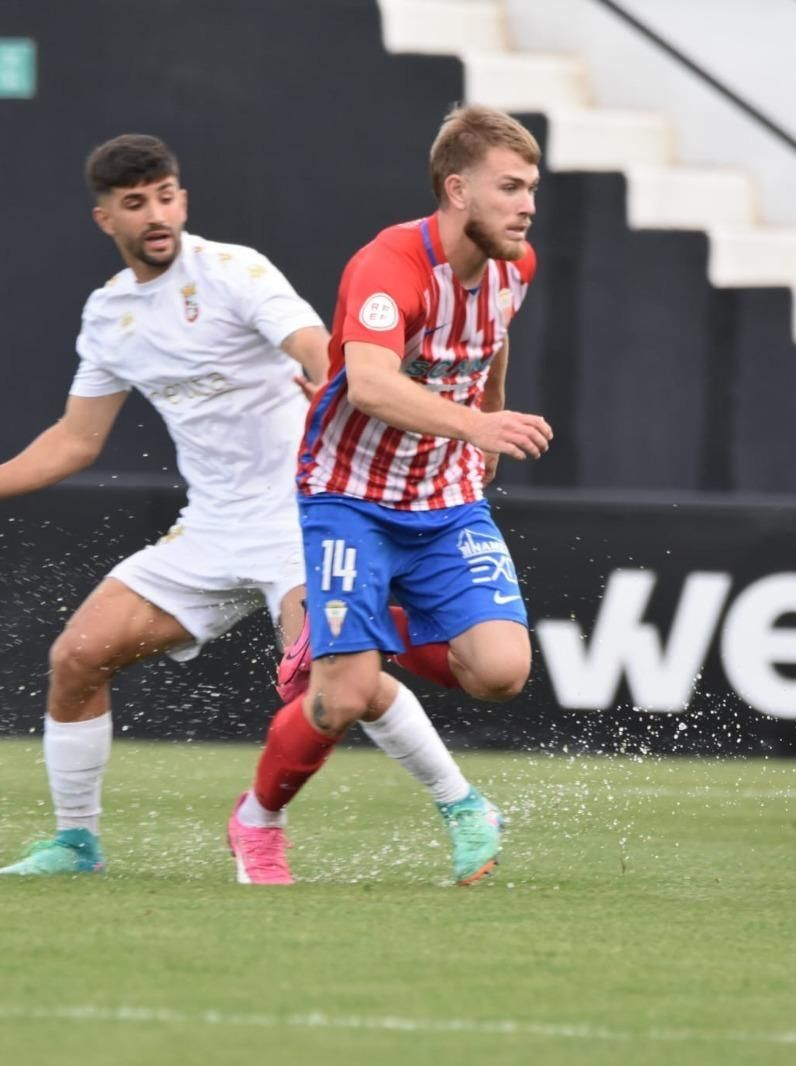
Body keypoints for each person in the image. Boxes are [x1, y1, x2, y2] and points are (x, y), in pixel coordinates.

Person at [0, 134, 470, 876]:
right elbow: (74, 439)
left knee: (343, 682)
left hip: (303, 517)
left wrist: (330, 381)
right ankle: (77, 842)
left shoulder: (234, 271)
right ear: (107, 220)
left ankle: (462, 807)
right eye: (135, 204)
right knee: (75, 660)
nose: (155, 214)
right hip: (211, 530)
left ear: (183, 199)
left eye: (165, 197)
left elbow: (320, 350)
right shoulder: (109, 316)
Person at [230, 106, 553, 886]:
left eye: (532, 188)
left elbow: (492, 337)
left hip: (443, 498)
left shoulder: (517, 265)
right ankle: (258, 822)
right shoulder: (387, 266)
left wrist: (484, 438)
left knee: (503, 670)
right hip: (349, 496)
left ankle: (359, 625)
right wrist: (479, 427)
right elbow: (371, 387)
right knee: (341, 699)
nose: (527, 204)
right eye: (509, 187)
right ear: (456, 190)